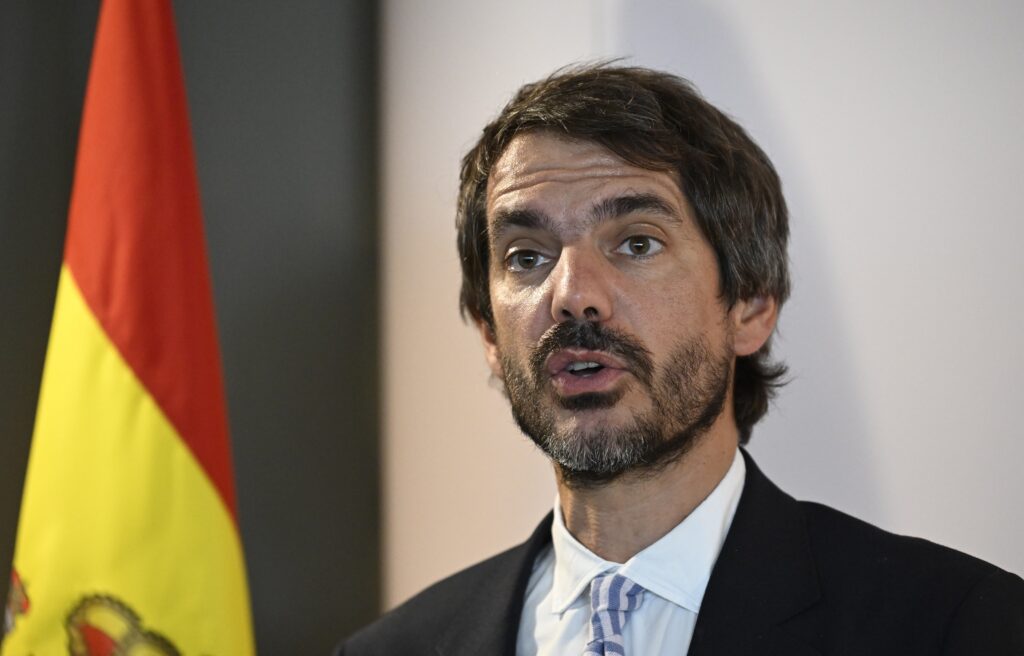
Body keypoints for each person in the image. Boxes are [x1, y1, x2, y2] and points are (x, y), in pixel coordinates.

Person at [336, 65, 1024, 655]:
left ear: (750, 304)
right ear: (489, 330)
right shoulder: (390, 650)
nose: (572, 296)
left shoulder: (957, 626)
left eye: (637, 243)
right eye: (527, 257)